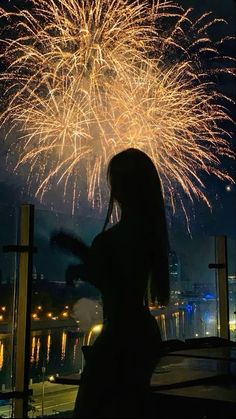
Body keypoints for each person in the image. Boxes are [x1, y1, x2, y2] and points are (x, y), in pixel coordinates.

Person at [51, 148, 170, 418]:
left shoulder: (117, 238)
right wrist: (85, 258)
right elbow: (121, 279)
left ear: (120, 188)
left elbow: (116, 285)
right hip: (143, 336)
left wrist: (82, 257)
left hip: (120, 338)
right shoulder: (150, 233)